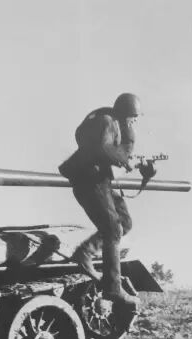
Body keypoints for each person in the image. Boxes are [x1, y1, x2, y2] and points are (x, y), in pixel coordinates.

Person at [58, 93, 143, 309]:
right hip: (89, 181)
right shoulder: (107, 121)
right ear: (125, 113)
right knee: (112, 229)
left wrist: (139, 166)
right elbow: (103, 149)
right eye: (133, 117)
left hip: (100, 180)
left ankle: (85, 253)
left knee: (125, 223)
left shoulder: (113, 123)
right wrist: (125, 161)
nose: (134, 122)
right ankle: (112, 288)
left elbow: (115, 152)